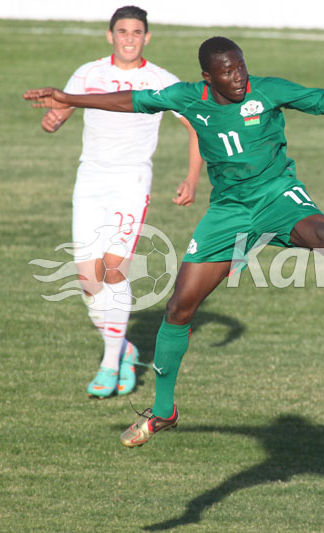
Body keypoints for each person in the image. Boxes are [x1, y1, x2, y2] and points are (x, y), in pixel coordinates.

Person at [24, 37, 324, 445]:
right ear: (207, 77)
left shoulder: (266, 90)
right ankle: (163, 412)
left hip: (278, 196)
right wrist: (68, 98)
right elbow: (133, 101)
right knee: (178, 310)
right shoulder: (188, 98)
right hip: (228, 212)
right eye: (228, 72)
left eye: (241, 66)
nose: (239, 77)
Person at [36, 6, 203, 399]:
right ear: (109, 36)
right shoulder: (88, 73)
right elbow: (63, 106)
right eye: (122, 31)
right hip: (89, 181)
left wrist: (192, 177)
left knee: (114, 269)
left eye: (137, 31)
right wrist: (55, 118)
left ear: (147, 37)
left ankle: (110, 362)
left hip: (131, 182)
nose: (129, 37)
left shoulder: (160, 81)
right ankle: (124, 348)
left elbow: (196, 126)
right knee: (89, 281)